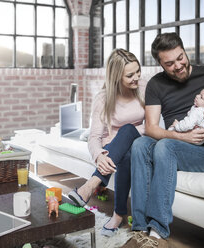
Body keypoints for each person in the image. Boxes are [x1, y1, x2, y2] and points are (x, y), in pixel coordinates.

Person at [122, 32, 204, 248]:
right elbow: (151, 128)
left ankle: (157, 233)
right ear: (160, 64)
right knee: (139, 144)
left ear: (185, 52)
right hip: (175, 143)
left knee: (165, 147)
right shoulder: (156, 84)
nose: (178, 66)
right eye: (169, 63)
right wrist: (181, 136)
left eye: (180, 58)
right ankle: (139, 229)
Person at [68, 48, 145, 237]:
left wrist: (131, 131)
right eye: (130, 75)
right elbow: (94, 136)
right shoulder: (103, 98)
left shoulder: (144, 88)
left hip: (141, 139)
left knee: (127, 130)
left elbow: (151, 124)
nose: (136, 77)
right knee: (125, 152)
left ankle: (89, 187)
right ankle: (118, 215)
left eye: (138, 71)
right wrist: (99, 154)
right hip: (115, 149)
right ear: (116, 76)